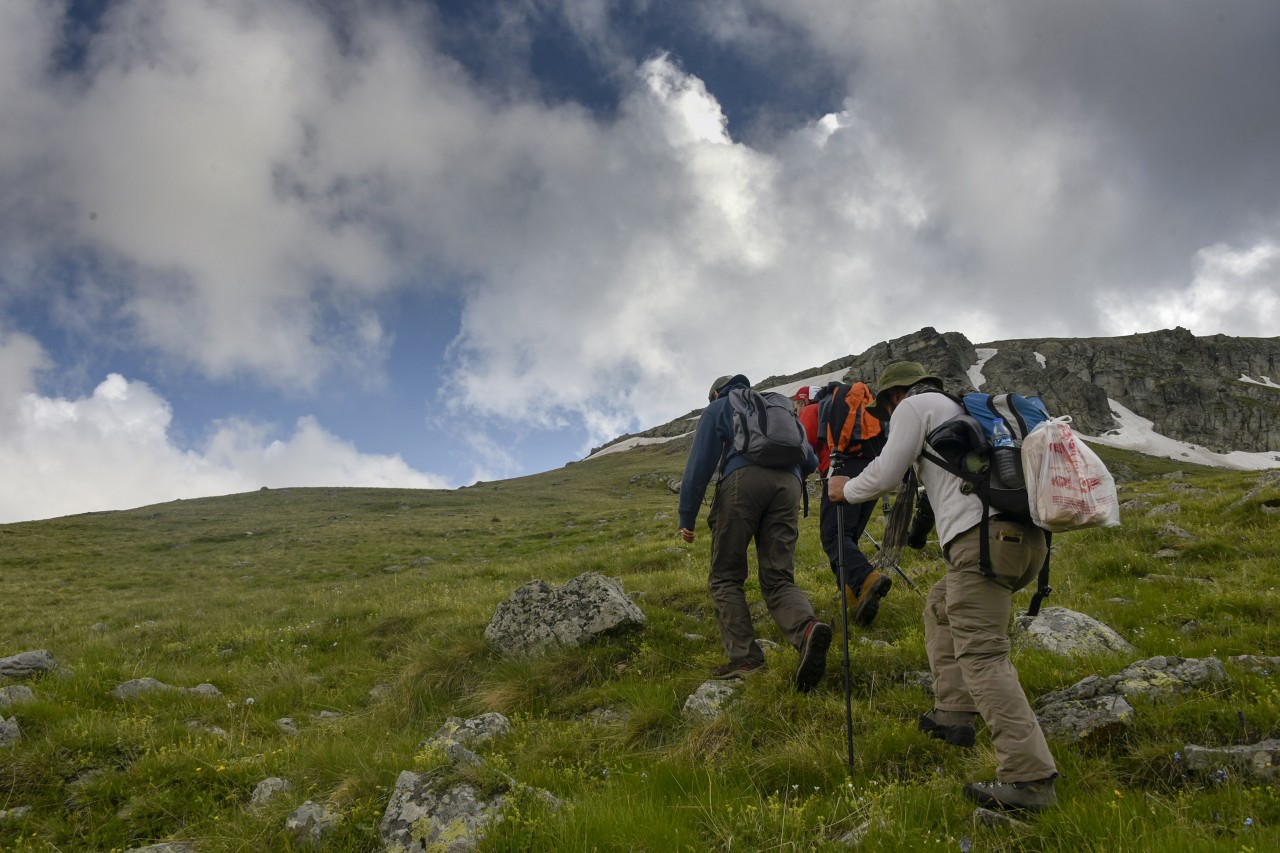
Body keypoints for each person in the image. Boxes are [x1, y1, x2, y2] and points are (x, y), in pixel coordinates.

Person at [827, 361, 1058, 812]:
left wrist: (845, 490)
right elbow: (947, 484)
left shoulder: (916, 406)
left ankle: (1030, 778)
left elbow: (886, 473)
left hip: (983, 544)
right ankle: (953, 713)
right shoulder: (961, 414)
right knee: (939, 606)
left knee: (983, 654)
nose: (888, 417)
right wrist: (917, 535)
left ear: (895, 396)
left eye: (885, 408)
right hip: (1025, 543)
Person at [678, 374, 832, 692]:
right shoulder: (778, 407)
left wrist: (687, 516)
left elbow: (700, 464)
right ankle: (806, 630)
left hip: (743, 481)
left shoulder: (721, 406)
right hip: (788, 485)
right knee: (779, 578)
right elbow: (811, 461)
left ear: (717, 392)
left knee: (725, 576)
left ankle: (746, 658)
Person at [801, 381, 891, 625]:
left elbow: (804, 446)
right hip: (873, 470)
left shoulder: (813, 409)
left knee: (833, 535)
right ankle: (854, 596)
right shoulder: (862, 407)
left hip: (842, 469)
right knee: (847, 537)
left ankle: (865, 579)